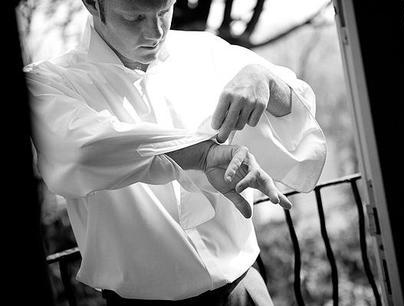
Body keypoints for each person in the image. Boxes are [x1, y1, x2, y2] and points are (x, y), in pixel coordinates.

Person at [25, 0, 327, 304]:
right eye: (135, 18)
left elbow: (301, 108)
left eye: (163, 11)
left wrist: (266, 81)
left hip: (245, 289)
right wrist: (201, 155)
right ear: (92, 3)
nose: (155, 31)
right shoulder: (47, 82)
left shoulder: (207, 51)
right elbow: (85, 149)